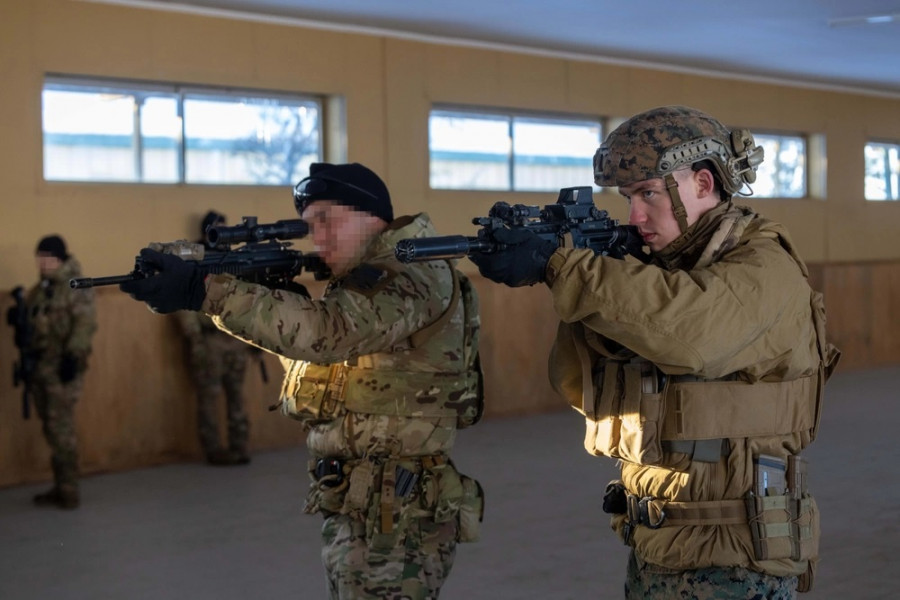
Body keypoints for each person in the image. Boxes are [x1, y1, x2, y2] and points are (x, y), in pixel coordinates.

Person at [470, 106, 840, 599]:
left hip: (737, 554)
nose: (635, 217)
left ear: (705, 185)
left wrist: (569, 271)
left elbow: (689, 335)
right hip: (658, 541)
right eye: (628, 198)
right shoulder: (657, 273)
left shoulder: (763, 265)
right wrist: (590, 273)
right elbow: (582, 387)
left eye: (648, 193)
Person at [119, 162, 485, 599]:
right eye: (311, 227)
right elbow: (313, 350)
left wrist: (207, 292)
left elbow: (328, 334)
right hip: (363, 505)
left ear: (372, 217)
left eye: (327, 221)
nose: (318, 239)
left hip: (398, 516)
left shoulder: (412, 269)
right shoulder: (361, 283)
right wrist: (243, 296)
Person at [173, 211, 252, 466]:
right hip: (209, 341)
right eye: (217, 228)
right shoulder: (193, 258)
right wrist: (195, 340)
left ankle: (239, 446)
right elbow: (183, 302)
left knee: (237, 394)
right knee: (209, 396)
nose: (223, 232)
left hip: (234, 338)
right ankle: (214, 449)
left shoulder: (232, 258)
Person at [26, 235, 97, 509]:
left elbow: (84, 325)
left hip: (63, 368)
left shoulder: (75, 287)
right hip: (41, 368)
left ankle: (69, 489)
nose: (42, 263)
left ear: (60, 259)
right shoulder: (40, 290)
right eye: (39, 258)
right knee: (51, 428)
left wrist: (73, 356)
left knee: (62, 429)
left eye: (48, 258)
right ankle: (60, 485)